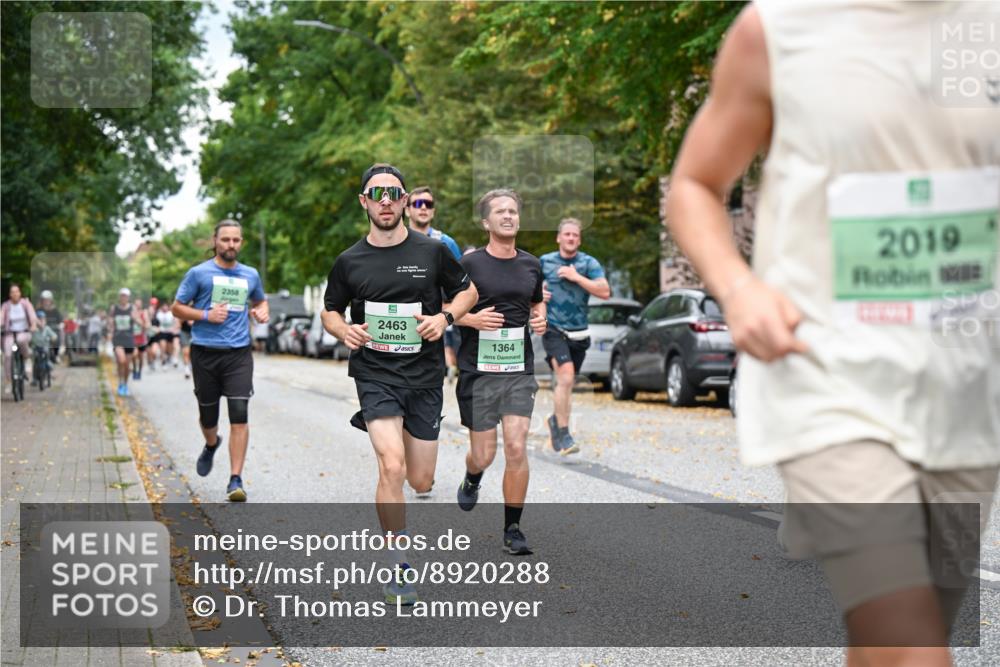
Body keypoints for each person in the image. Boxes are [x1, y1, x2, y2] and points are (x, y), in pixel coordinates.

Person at [666, 3, 999, 664]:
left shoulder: (980, 27)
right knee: (909, 638)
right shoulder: (784, 27)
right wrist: (739, 288)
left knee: (910, 627)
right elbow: (696, 183)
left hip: (963, 388)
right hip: (827, 374)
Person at [322, 163, 478, 604]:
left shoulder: (432, 251)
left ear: (405, 200)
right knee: (390, 466)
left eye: (394, 193)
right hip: (375, 373)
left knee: (422, 480)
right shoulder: (349, 261)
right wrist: (342, 331)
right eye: (377, 193)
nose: (386, 201)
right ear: (365, 202)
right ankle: (398, 565)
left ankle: (397, 435)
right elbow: (330, 309)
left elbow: (469, 293)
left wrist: (445, 318)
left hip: (425, 376)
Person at [453, 189, 546, 555]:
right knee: (485, 454)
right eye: (500, 212)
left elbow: (536, 302)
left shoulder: (531, 265)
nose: (508, 216)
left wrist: (540, 318)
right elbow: (445, 306)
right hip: (478, 371)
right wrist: (472, 318)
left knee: (517, 446)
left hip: (518, 370)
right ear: (486, 222)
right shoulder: (470, 264)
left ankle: (512, 529)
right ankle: (473, 475)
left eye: (513, 211)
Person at [171, 219, 268, 502]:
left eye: (236, 240)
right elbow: (177, 308)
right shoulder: (199, 274)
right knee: (208, 415)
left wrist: (261, 312)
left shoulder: (250, 275)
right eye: (225, 240)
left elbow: (260, 301)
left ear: (241, 242)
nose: (231, 245)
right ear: (215, 240)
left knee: (239, 413)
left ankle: (235, 479)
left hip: (238, 354)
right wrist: (205, 316)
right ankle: (211, 444)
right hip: (204, 352)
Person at [539, 218, 610, 454]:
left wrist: (576, 276)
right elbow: (527, 290)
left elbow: (605, 291)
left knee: (565, 383)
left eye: (575, 235)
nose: (571, 238)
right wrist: (537, 295)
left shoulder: (588, 263)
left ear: (579, 239)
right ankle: (565, 434)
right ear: (558, 237)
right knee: (567, 377)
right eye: (567, 234)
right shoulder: (545, 262)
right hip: (553, 328)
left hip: (579, 332)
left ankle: (555, 423)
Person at [405, 186, 463, 382]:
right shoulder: (393, 241)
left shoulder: (446, 243)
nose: (423, 208)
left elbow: (463, 288)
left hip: (434, 325)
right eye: (418, 204)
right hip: (402, 323)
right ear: (407, 209)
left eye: (428, 204)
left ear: (433, 211)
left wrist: (447, 312)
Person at [2, 284, 38, 392]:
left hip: (24, 332)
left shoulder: (25, 304)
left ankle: (27, 358)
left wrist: (33, 325)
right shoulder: (6, 306)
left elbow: (32, 316)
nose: (15, 294)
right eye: (12, 292)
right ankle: (8, 381)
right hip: (9, 334)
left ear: (20, 293)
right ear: (10, 294)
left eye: (16, 291)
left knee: (21, 340)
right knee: (8, 355)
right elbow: (1, 317)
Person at [109, 288, 139, 396]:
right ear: (119, 297)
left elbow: (139, 322)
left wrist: (135, 318)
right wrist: (110, 328)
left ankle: (125, 384)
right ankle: (120, 382)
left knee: (127, 365)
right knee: (121, 361)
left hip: (129, 339)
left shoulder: (132, 309)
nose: (123, 298)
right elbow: (110, 322)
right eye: (122, 295)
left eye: (125, 296)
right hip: (117, 339)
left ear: (128, 297)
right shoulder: (114, 308)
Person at [36, 290, 63, 364]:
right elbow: (35, 319)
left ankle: (56, 354)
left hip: (54, 329)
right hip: (42, 330)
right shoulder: (39, 310)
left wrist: (60, 325)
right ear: (42, 301)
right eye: (45, 300)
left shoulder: (55, 310)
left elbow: (60, 320)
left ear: (51, 300)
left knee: (56, 338)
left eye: (48, 300)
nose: (46, 301)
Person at [131, 297, 149, 380]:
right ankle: (134, 369)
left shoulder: (144, 313)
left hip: (141, 338)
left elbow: (147, 325)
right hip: (132, 338)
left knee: (141, 357)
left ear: (141, 305)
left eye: (139, 304)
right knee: (134, 355)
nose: (138, 305)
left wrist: (138, 321)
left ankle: (139, 372)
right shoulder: (131, 313)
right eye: (136, 304)